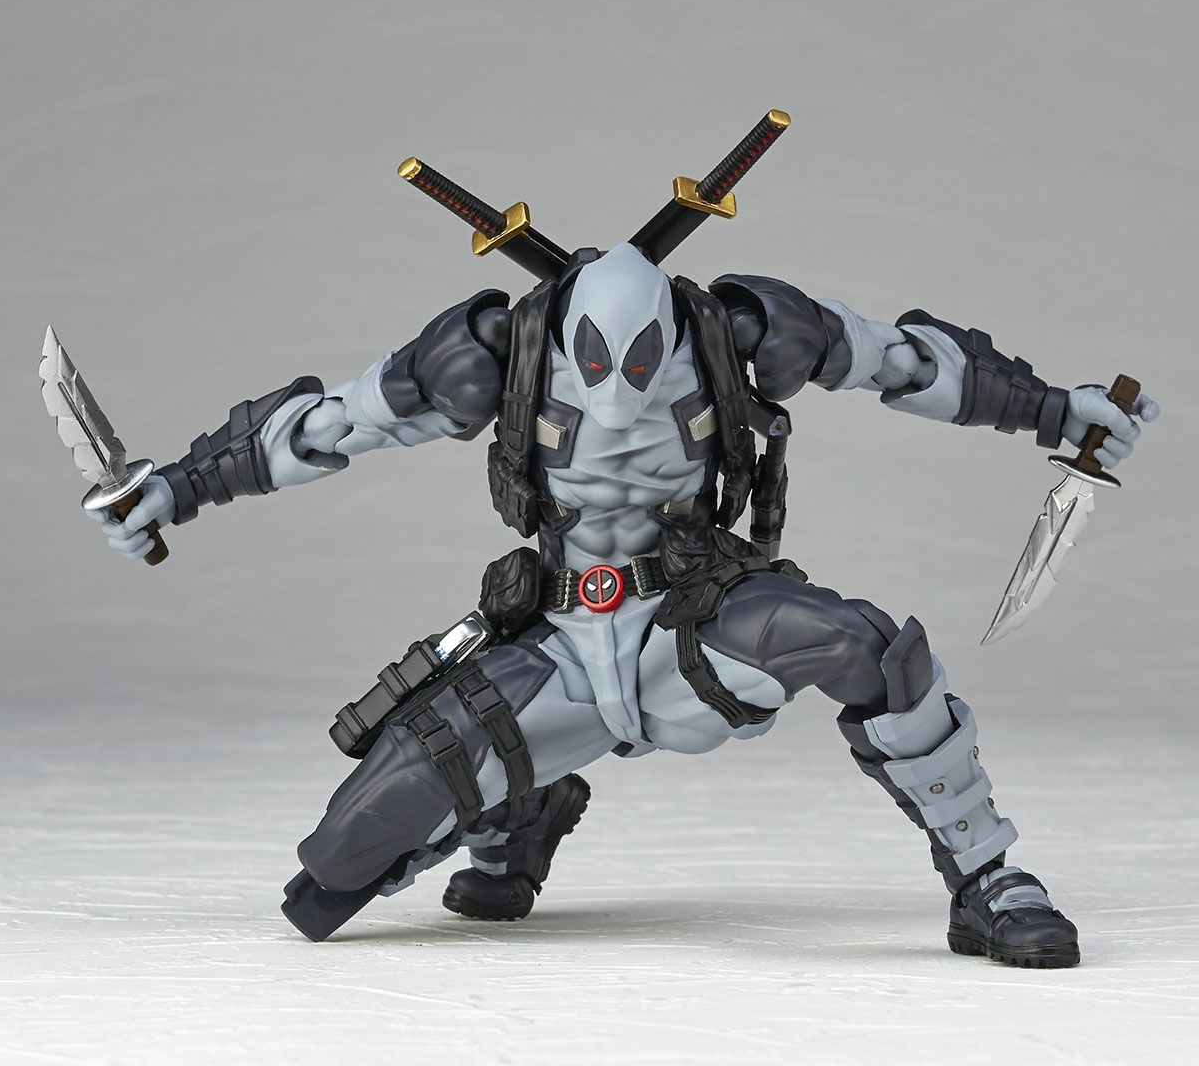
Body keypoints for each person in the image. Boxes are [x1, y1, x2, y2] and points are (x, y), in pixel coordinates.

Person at [88, 241, 1158, 967]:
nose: (619, 389)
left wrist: (1056, 411)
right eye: (596, 364)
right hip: (556, 637)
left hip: (697, 615)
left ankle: (988, 879)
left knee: (868, 648)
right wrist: (174, 488)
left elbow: (906, 363)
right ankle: (522, 808)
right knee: (325, 884)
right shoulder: (491, 351)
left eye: (643, 361)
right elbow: (333, 424)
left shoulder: (746, 330)